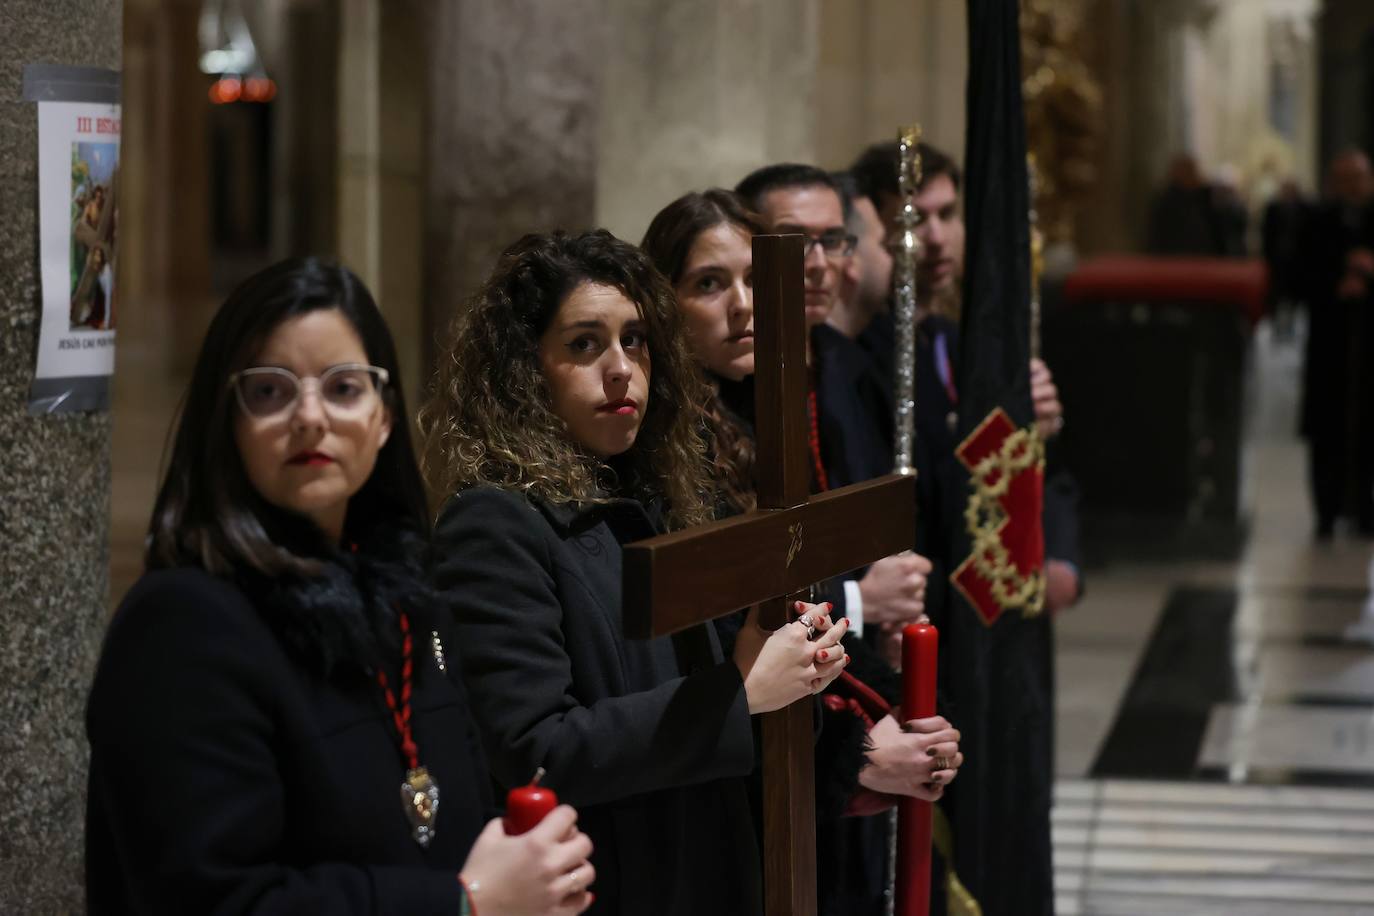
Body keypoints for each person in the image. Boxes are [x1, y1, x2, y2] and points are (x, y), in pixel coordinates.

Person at [86, 258, 594, 915]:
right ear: (227, 420)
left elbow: (446, 830)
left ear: (384, 418)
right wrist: (466, 902)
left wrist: (532, 874)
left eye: (343, 388)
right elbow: (216, 901)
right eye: (269, 391)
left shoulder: (412, 602)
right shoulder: (181, 624)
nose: (309, 416)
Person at [420, 229, 847, 916]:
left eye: (635, 340)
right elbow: (535, 749)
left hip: (715, 869)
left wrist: (791, 662)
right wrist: (740, 694)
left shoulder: (673, 499)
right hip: (612, 884)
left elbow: (739, 691)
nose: (620, 368)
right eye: (584, 344)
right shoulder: (495, 523)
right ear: (527, 370)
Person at [642, 188, 964, 916]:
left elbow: (808, 595)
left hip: (803, 744)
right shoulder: (663, 448)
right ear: (662, 305)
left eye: (757, 280)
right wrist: (861, 752)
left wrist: (905, 715)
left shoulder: (774, 416)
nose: (745, 307)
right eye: (709, 284)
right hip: (721, 793)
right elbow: (728, 635)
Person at [1299, 148, 1374, 538]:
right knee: (1327, 431)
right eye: (1344, 180)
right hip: (1330, 342)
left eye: (1358, 179)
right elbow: (1296, 276)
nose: (1352, 187)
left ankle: (1366, 512)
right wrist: (1335, 284)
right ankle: (1326, 513)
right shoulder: (1317, 222)